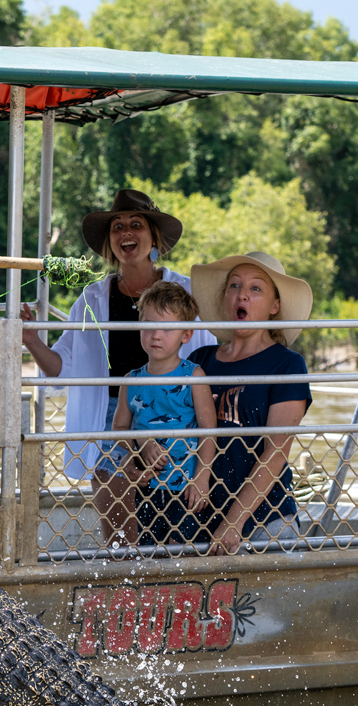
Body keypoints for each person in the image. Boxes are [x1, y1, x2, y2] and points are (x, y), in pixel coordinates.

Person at [23, 189, 215, 547]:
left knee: (177, 525)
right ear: (110, 243)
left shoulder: (186, 292)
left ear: (153, 238)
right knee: (120, 532)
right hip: (116, 416)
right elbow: (62, 368)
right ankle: (123, 592)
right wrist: (32, 341)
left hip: (178, 413)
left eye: (136, 224)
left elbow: (212, 353)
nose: (126, 232)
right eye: (117, 226)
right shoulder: (93, 298)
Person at [188, 252, 315, 556]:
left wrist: (235, 522)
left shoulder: (287, 365)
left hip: (264, 518)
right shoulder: (199, 361)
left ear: (275, 307)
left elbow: (277, 451)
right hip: (197, 515)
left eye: (255, 288)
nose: (242, 294)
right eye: (234, 285)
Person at [111, 281, 215, 548]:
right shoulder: (130, 381)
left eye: (167, 327)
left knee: (187, 553)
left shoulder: (194, 376)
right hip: (147, 488)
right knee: (149, 553)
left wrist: (202, 478)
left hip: (187, 488)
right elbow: (119, 430)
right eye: (148, 325)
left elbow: (209, 431)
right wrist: (140, 444)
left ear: (186, 334)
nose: (156, 335)